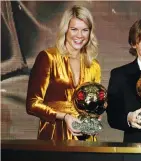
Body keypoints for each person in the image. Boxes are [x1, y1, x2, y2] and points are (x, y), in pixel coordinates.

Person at [26, 5, 101, 141]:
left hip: (85, 138)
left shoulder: (94, 65)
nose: (79, 35)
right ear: (65, 30)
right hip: (54, 135)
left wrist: (96, 114)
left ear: (90, 33)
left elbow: (94, 104)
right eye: (74, 29)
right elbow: (32, 104)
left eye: (85, 30)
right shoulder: (48, 57)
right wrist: (65, 116)